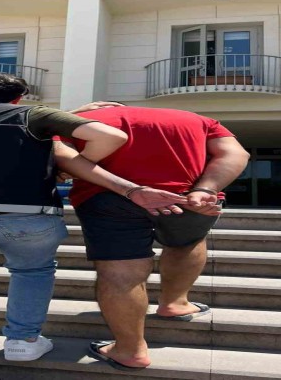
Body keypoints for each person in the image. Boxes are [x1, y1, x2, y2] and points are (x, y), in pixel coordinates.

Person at [0, 73, 184, 380]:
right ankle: (22, 341)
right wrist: (70, 166)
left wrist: (61, 117)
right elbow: (110, 136)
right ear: (18, 98)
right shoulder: (32, 114)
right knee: (32, 271)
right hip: (22, 214)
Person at [54, 102, 250, 371]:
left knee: (121, 270)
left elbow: (64, 159)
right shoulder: (197, 118)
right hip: (187, 196)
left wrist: (69, 117)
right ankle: (175, 304)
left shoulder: (74, 121)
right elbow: (235, 153)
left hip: (108, 197)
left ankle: (130, 350)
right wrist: (207, 189)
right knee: (187, 244)